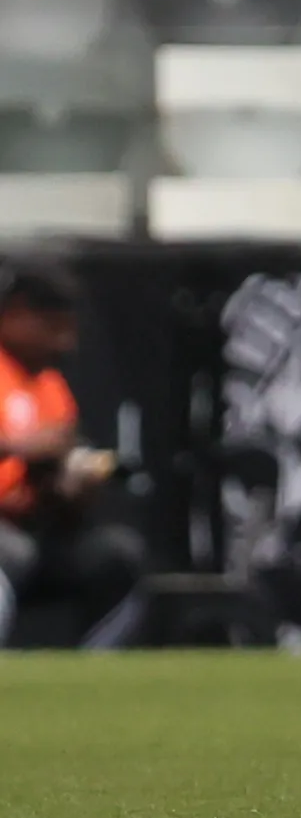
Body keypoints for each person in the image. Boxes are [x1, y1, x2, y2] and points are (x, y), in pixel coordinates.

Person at [0, 260, 145, 647]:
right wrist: (21, 447)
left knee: (114, 554)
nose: (65, 343)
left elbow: (56, 482)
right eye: (53, 327)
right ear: (16, 314)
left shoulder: (50, 385)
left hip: (32, 526)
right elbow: (30, 447)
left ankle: (90, 668)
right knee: (10, 553)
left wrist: (72, 486)